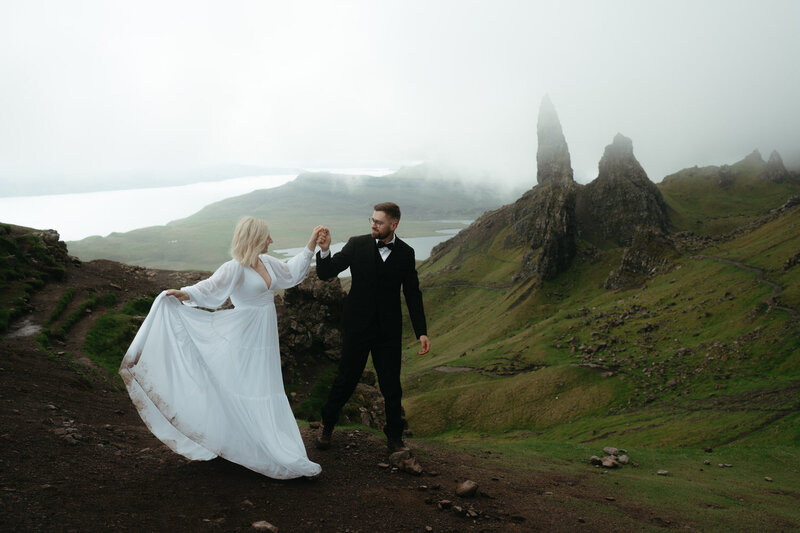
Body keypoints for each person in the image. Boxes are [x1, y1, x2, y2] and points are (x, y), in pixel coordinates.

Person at [119, 216, 324, 479]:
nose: (271, 241)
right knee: (247, 386)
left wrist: (310, 244)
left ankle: (265, 442)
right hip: (244, 333)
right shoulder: (235, 268)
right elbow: (211, 287)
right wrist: (185, 293)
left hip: (265, 336)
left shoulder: (268, 262)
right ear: (254, 239)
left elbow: (292, 273)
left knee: (266, 386)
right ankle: (248, 445)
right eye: (267, 237)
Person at [314, 202, 430, 452]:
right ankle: (327, 424)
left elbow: (412, 294)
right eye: (372, 220)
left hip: (388, 331)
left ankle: (395, 439)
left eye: (379, 222)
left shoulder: (406, 253)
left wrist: (421, 331)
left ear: (394, 225)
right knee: (346, 379)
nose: (373, 225)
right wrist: (324, 251)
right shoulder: (357, 244)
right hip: (357, 327)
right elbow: (327, 273)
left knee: (391, 386)